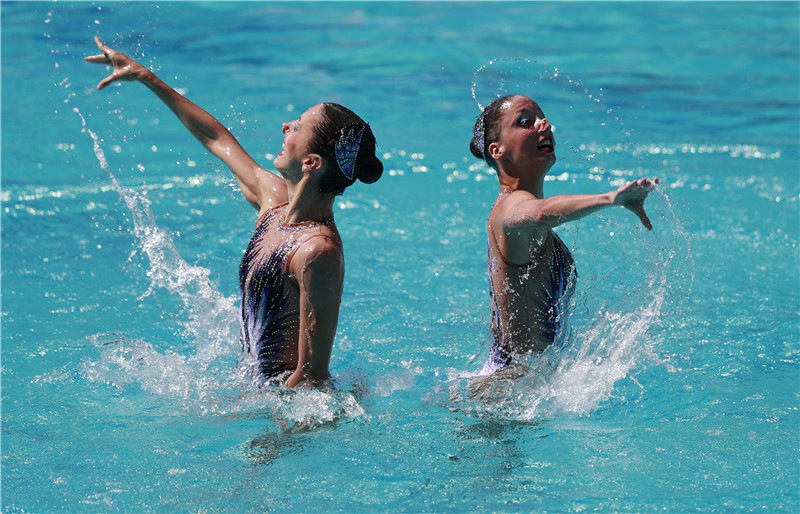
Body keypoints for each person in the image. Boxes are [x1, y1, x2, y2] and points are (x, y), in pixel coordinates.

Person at [86, 36, 383, 388]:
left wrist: (257, 421)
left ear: (311, 163)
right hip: (253, 389)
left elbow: (312, 377)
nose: (285, 125)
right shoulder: (274, 202)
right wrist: (145, 76)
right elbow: (216, 138)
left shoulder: (317, 251)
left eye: (298, 127)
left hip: (281, 403)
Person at [469, 94, 659, 376]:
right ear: (497, 150)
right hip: (508, 385)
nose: (543, 124)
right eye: (525, 122)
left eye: (541, 117)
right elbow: (539, 212)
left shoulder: (516, 207)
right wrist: (610, 198)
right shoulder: (509, 206)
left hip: (521, 379)